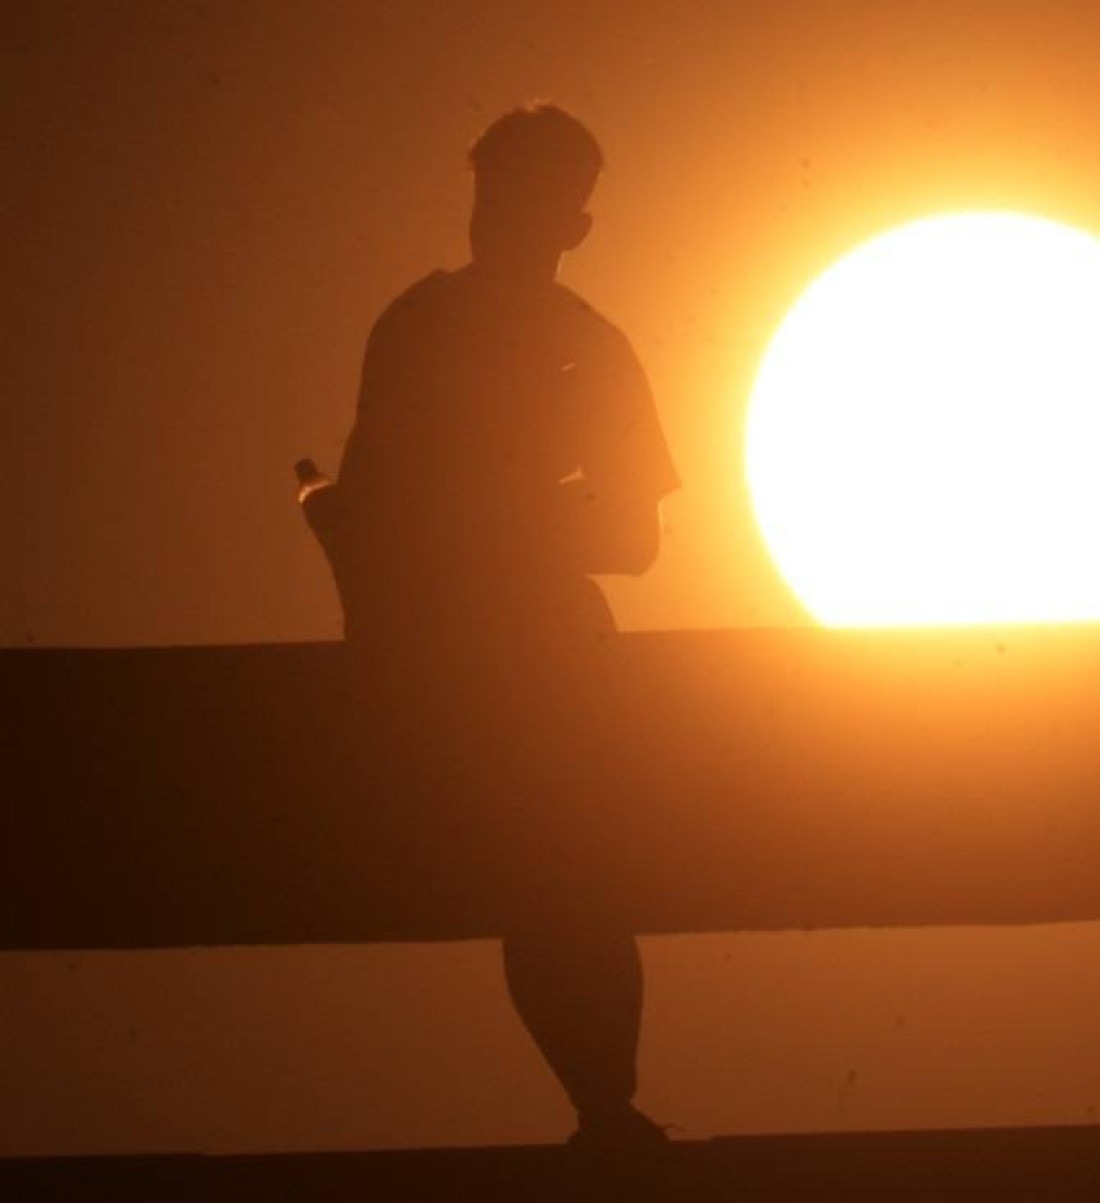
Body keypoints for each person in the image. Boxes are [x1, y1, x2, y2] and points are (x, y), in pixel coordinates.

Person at [318, 104, 680, 1152]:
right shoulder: (423, 326)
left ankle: (604, 1110)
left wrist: (483, 526)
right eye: (492, 195)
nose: (500, 219)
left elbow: (633, 537)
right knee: (560, 884)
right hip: (454, 660)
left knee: (561, 883)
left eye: (524, 200)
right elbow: (373, 509)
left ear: (572, 225)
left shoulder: (585, 348)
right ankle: (605, 1112)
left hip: (525, 662)